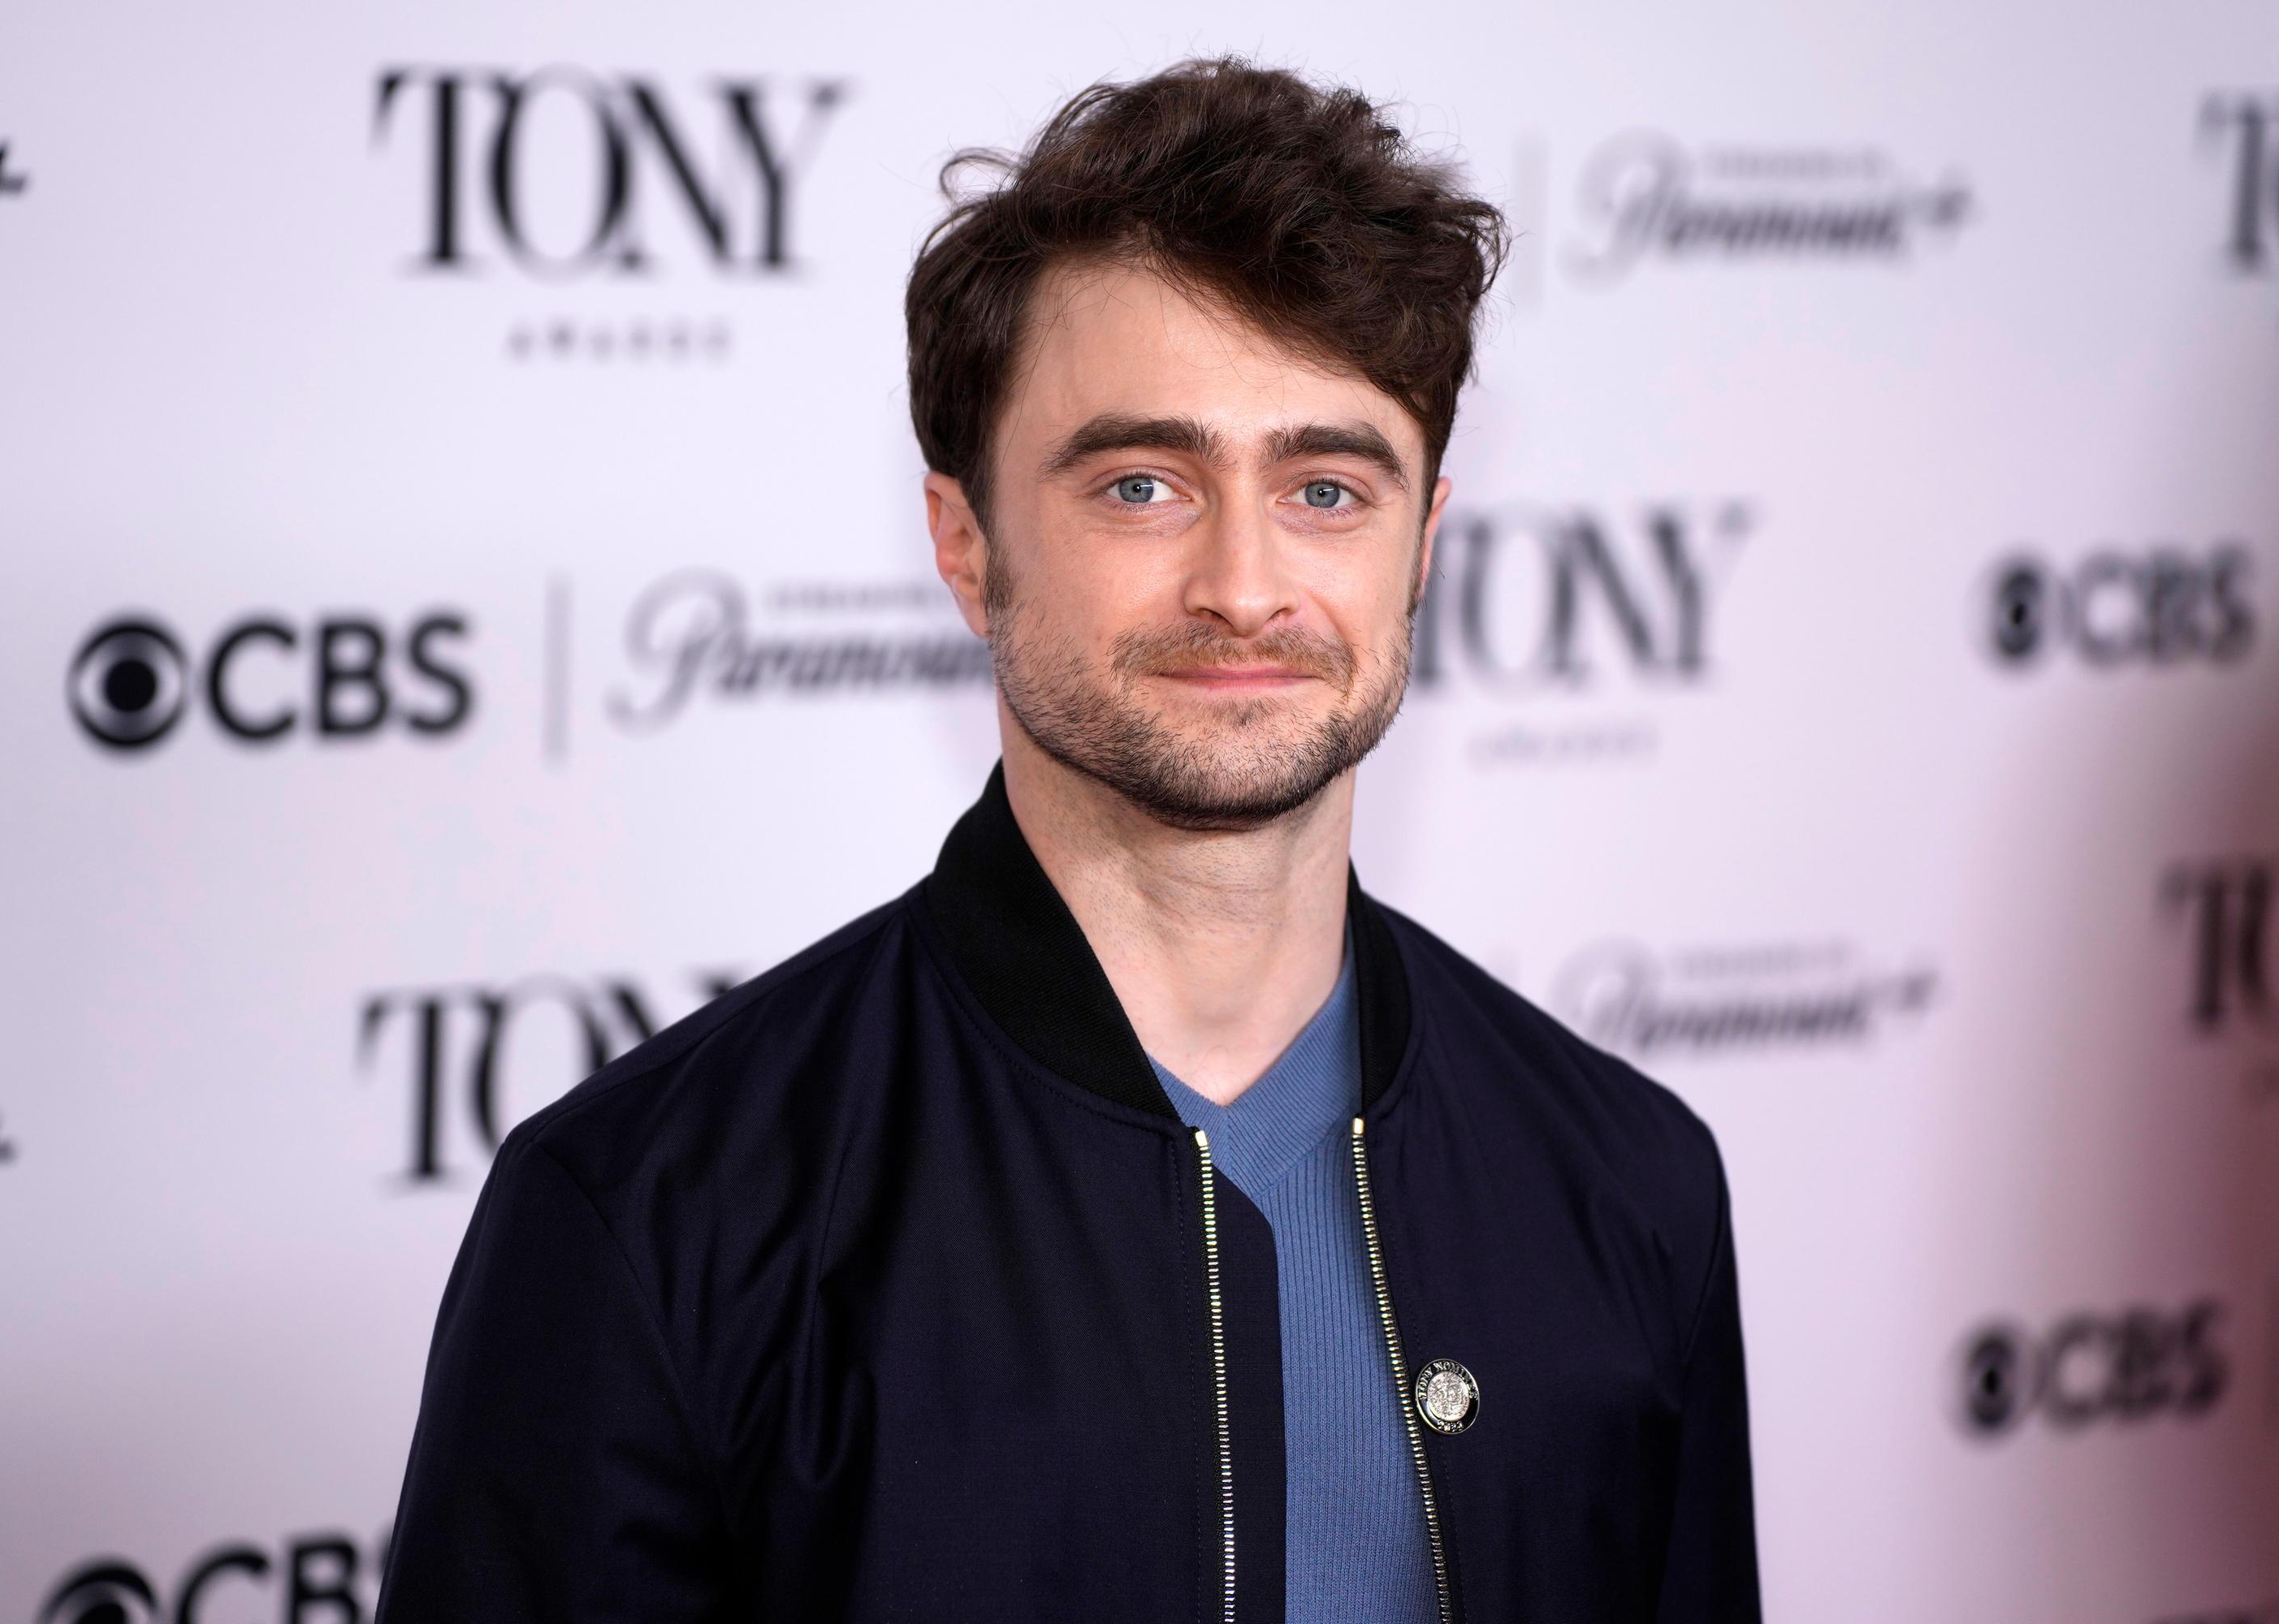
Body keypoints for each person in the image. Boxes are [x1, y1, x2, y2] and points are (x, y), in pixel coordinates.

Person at [376, 58, 1759, 1623]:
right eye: (1144, 485)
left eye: (1324, 488)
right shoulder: (659, 1215)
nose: (1245, 586)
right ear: (967, 546)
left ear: (1423, 544)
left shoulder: (1627, 1180)